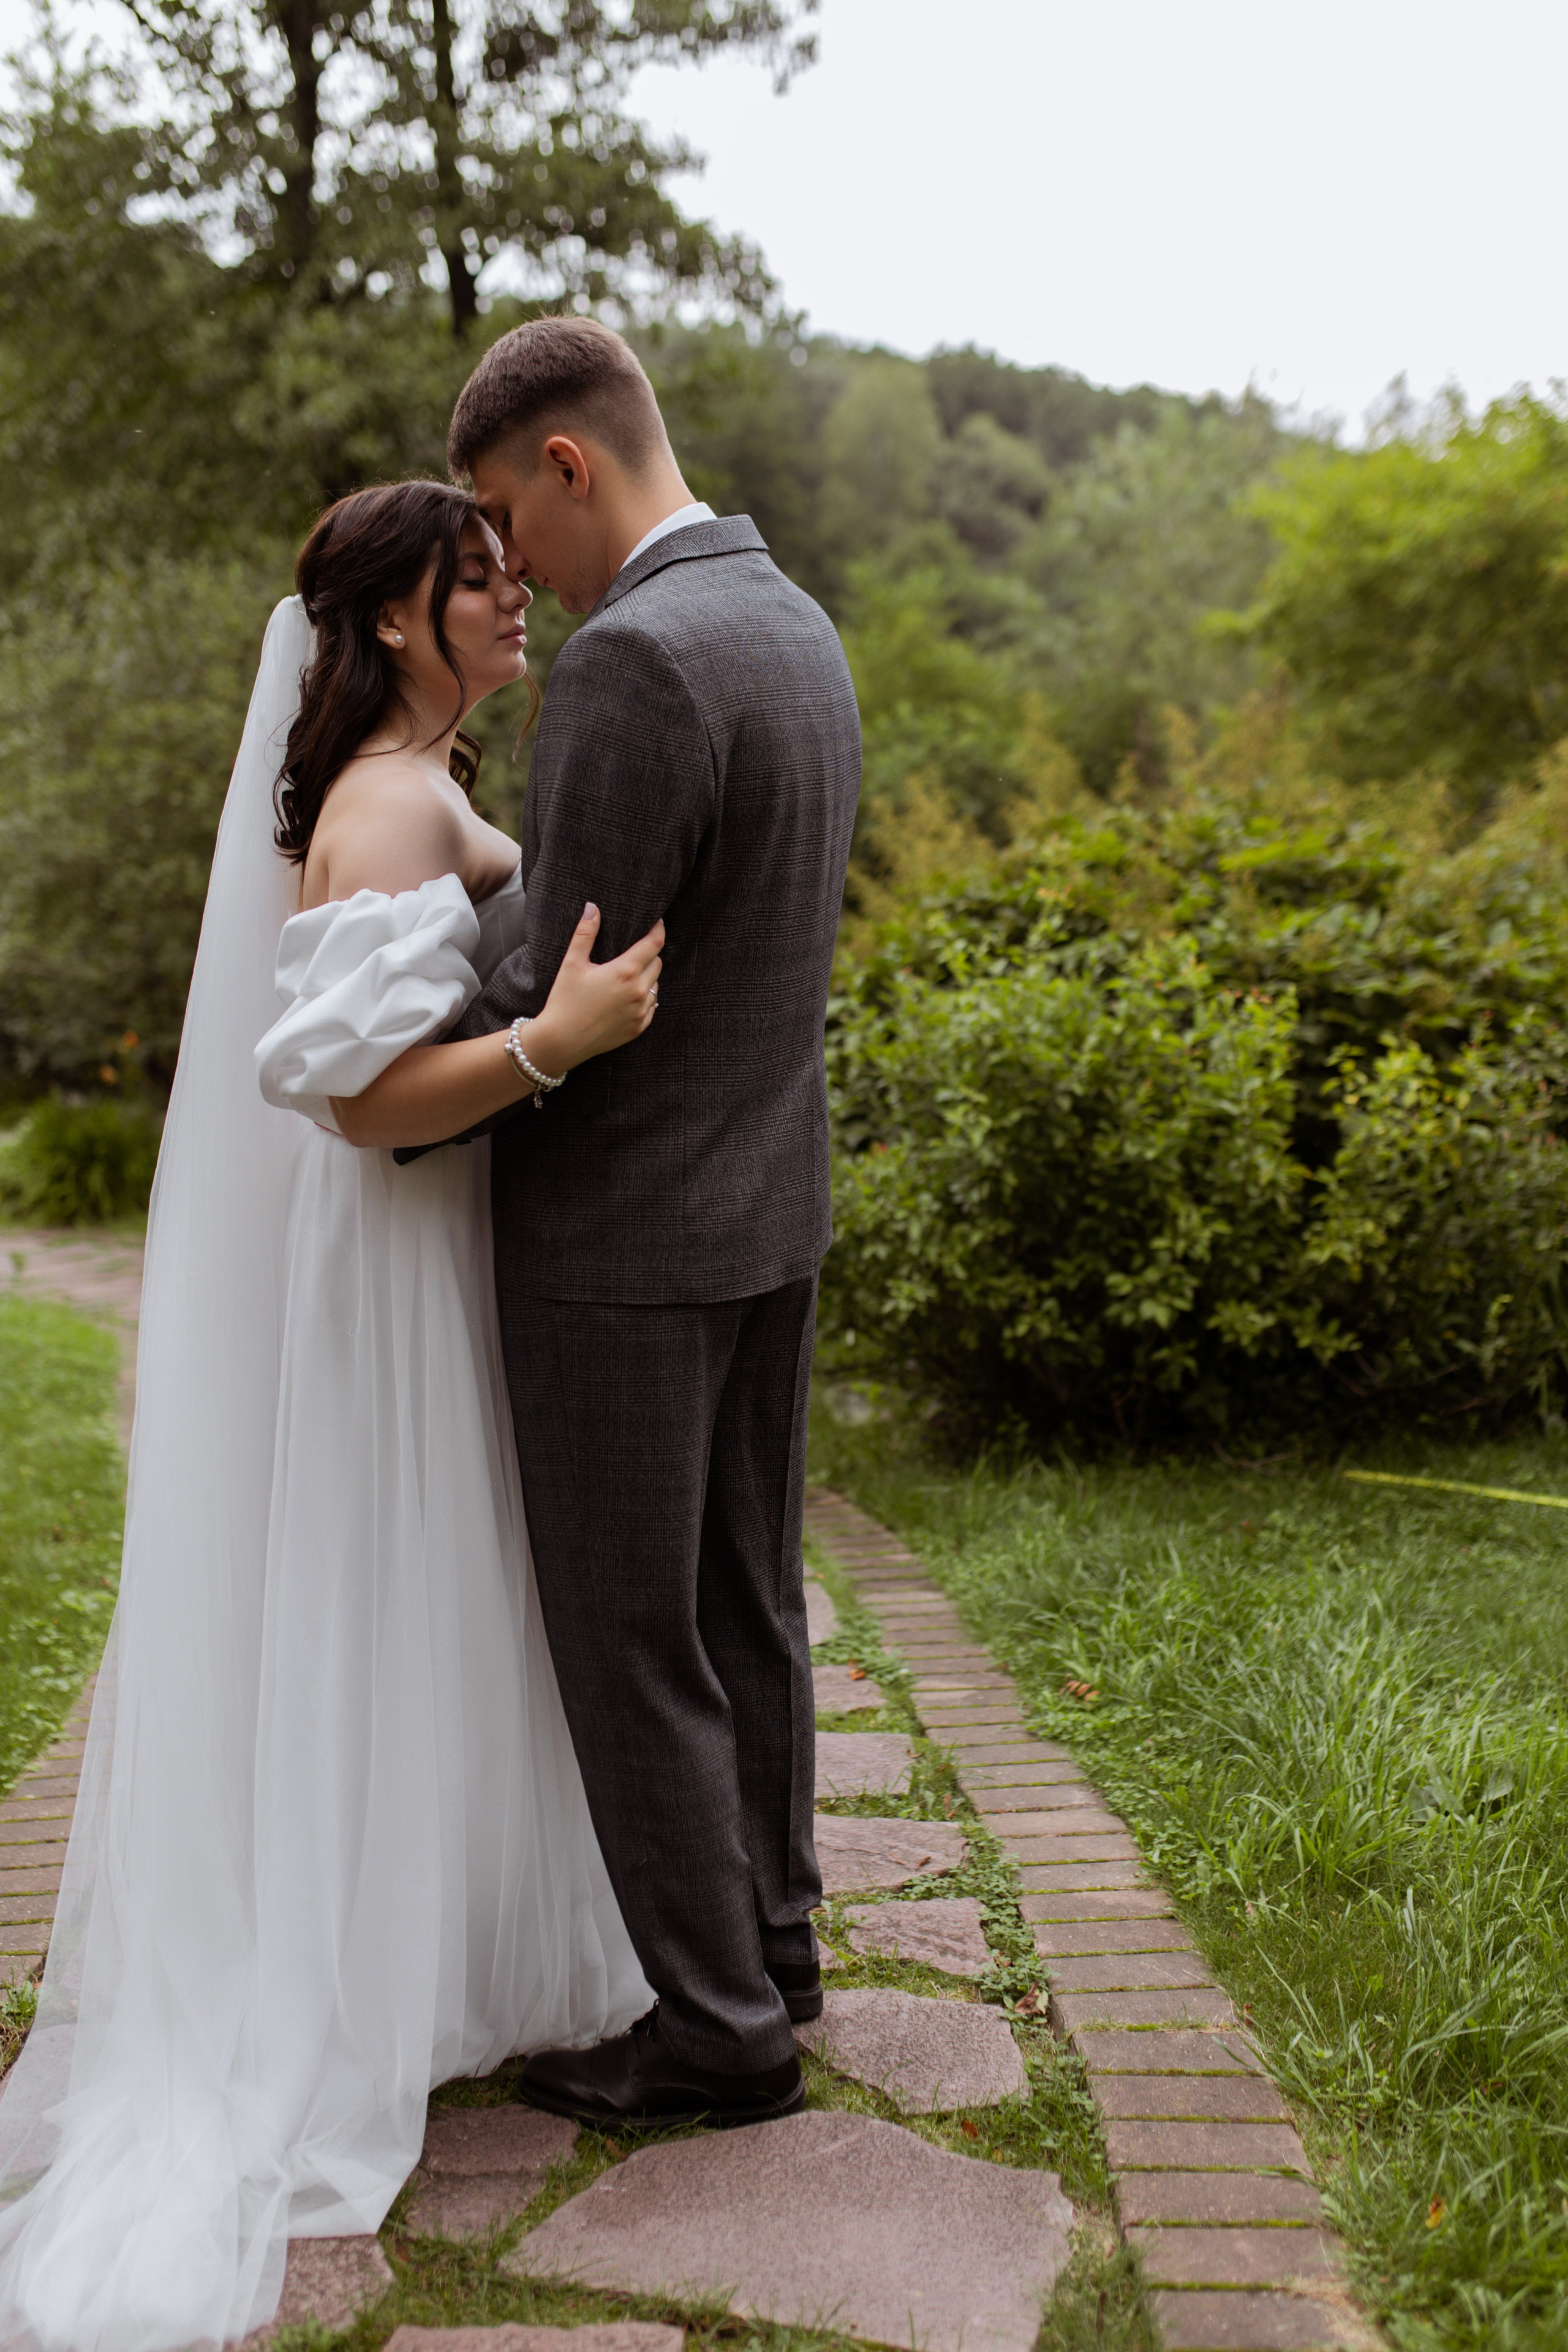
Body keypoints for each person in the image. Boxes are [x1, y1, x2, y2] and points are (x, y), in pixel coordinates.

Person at [0, 480, 664, 2352]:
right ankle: (345, 1989)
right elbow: (352, 1098)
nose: (517, 600)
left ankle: (413, 1961)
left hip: (413, 1253)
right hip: (386, 1254)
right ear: (392, 622)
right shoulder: (383, 805)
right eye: (482, 583)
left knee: (416, 1594)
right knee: (389, 1587)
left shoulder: (411, 788)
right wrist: (560, 1040)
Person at [404, 317, 862, 2128]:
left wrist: (388, 982)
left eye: (511, 520)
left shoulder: (635, 664)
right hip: (767, 1205)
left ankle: (713, 2032)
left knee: (632, 1629)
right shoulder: (793, 625)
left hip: (622, 1241)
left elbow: (558, 972)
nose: (511, 569)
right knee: (745, 1601)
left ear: (569, 466)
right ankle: (776, 1940)